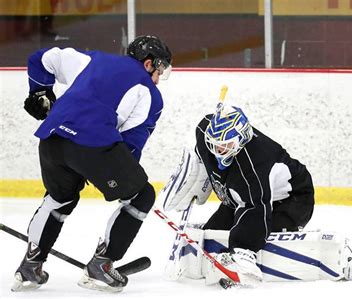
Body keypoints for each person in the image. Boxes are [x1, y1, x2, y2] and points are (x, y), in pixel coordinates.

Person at [12, 35, 172, 293]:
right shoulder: (150, 93)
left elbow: (40, 59)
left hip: (52, 138)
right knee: (142, 195)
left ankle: (31, 265)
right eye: (160, 68)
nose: (159, 77)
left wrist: (40, 93)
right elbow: (130, 147)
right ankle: (102, 265)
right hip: (92, 143)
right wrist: (106, 173)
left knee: (58, 198)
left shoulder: (92, 58)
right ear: (148, 63)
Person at [162, 103, 315, 286]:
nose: (218, 151)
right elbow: (205, 156)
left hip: (293, 200)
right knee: (212, 234)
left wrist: (243, 250)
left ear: (241, 140)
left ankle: (246, 255)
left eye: (225, 145)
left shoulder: (256, 164)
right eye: (215, 144)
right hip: (240, 196)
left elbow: (255, 206)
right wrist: (196, 178)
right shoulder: (205, 130)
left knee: (255, 236)